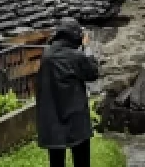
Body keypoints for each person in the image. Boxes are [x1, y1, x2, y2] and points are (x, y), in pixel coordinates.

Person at [35, 17, 100, 167]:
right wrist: (86, 48)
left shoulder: (47, 55)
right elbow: (92, 73)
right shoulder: (76, 57)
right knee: (81, 159)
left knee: (56, 161)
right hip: (75, 115)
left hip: (52, 116)